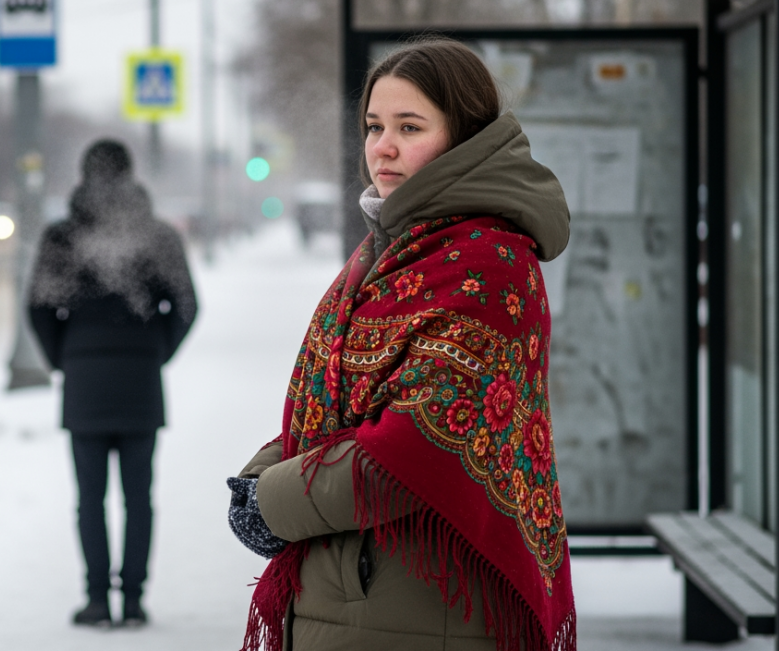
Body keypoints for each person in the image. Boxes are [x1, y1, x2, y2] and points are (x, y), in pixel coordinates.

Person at [228, 37, 576, 651]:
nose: (381, 147)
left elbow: (416, 446)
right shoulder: (392, 247)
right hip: (355, 594)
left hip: (423, 606)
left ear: (464, 136)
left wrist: (273, 501)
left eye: (409, 127)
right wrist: (257, 477)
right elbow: (338, 401)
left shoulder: (488, 261)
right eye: (373, 125)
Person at [28, 139, 197, 629]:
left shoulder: (61, 237)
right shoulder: (157, 235)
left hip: (84, 382)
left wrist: (66, 357)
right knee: (139, 497)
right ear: (129, 174)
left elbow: (39, 307)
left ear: (84, 175)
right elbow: (186, 306)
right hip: (140, 381)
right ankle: (135, 599)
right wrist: (154, 352)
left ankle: (97, 599)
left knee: (90, 497)